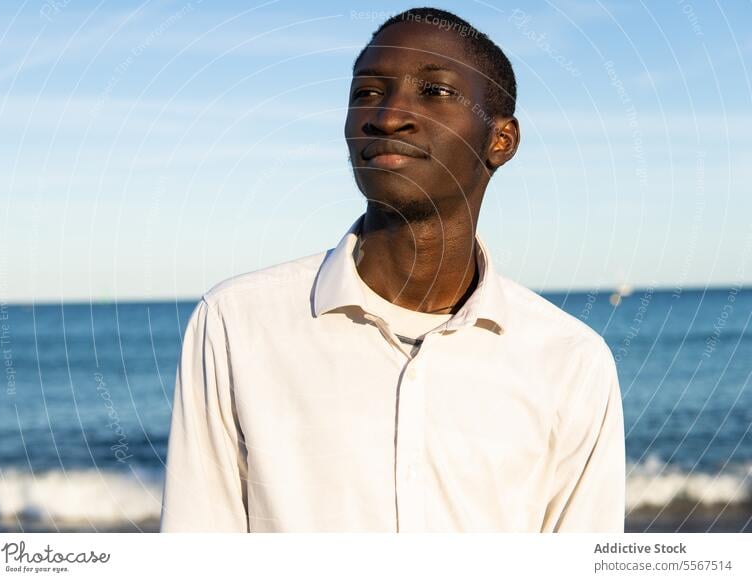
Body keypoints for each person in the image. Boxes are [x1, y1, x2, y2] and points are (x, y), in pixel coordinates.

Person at [160, 7, 625, 533]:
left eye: (435, 92)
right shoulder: (237, 323)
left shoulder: (570, 361)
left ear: (501, 140)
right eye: (367, 93)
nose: (386, 116)